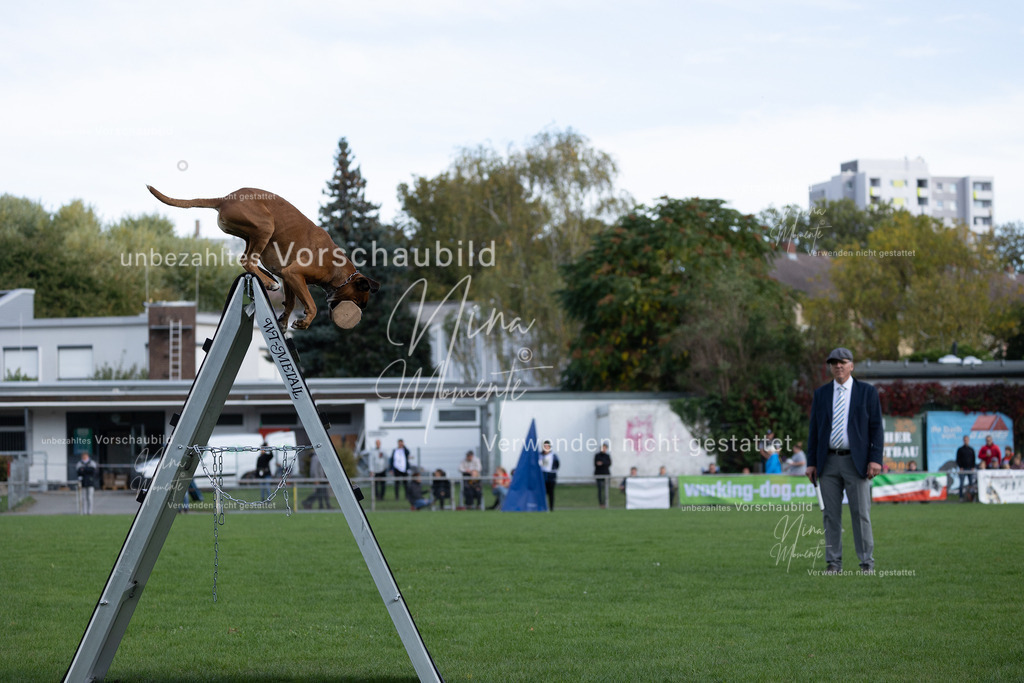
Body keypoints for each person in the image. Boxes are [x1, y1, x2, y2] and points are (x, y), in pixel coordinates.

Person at [806, 347, 883, 575]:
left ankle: (866, 563)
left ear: (852, 365)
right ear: (830, 367)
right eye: (834, 362)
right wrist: (811, 462)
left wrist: (875, 459)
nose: (838, 366)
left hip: (856, 462)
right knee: (830, 515)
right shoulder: (821, 394)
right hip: (827, 462)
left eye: (843, 362)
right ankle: (834, 563)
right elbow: (814, 430)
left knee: (861, 514)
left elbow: (876, 428)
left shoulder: (867, 392)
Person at [539, 440, 560, 511]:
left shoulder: (553, 456)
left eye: (547, 446)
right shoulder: (540, 455)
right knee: (543, 492)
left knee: (551, 492)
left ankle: (551, 508)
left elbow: (557, 465)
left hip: (551, 476)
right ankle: (543, 507)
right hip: (542, 476)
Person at [593, 441, 612, 508]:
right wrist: (603, 463)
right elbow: (596, 464)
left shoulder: (607, 456)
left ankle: (606, 502)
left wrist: (602, 463)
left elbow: (609, 463)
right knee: (600, 490)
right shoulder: (597, 455)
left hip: (606, 475)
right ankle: (601, 503)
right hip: (599, 475)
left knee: (606, 490)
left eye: (605, 448)